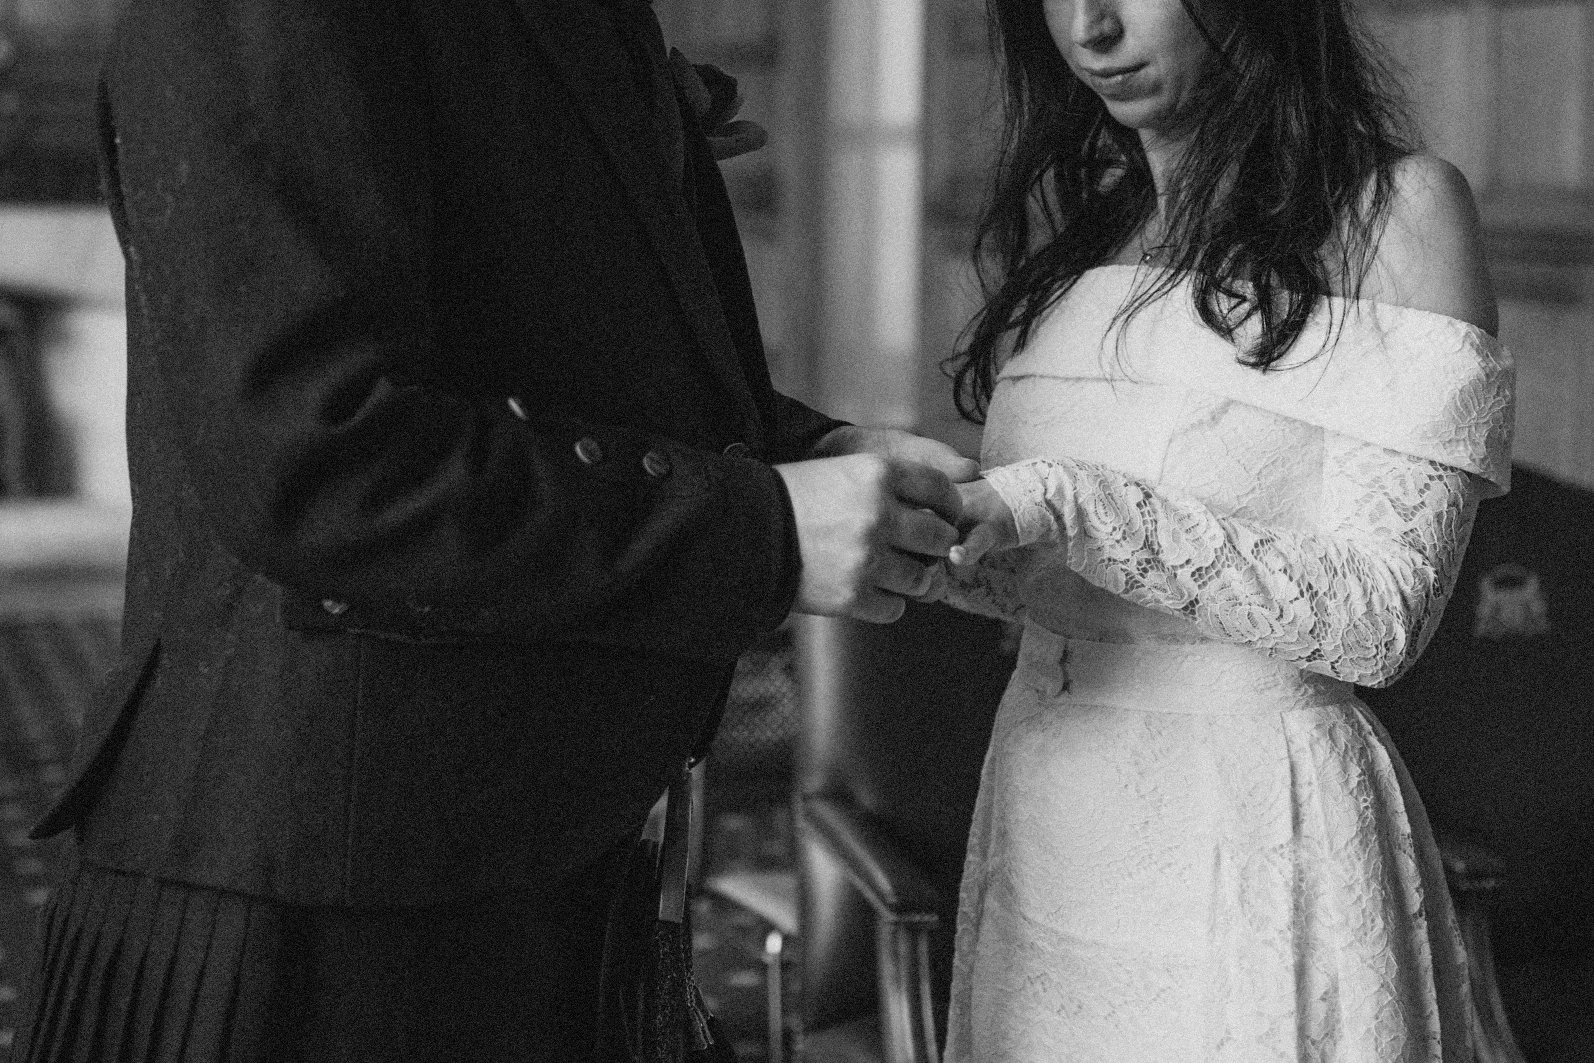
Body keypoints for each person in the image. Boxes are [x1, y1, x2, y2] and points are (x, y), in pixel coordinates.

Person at [12, 0, 979, 1060]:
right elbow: (320, 459)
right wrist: (764, 527)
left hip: (529, 857)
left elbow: (543, 358)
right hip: (318, 894)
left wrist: (808, 452)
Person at [926, 0, 1512, 1059]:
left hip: (1255, 820)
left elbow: (1381, 620)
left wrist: (1067, 500)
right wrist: (936, 533)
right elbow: (1047, 580)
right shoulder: (1088, 240)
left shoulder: (1400, 210)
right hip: (1047, 803)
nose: (1089, 28)